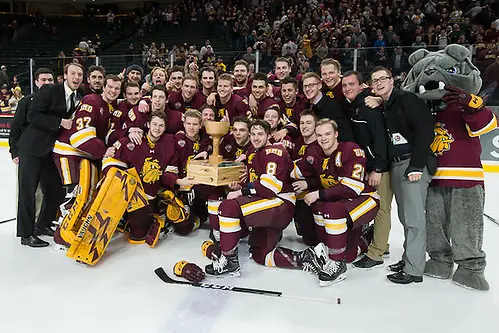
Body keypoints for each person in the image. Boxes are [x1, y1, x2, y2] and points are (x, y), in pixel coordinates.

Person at [293, 119, 380, 285]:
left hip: (365, 199)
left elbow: (351, 188)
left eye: (327, 134)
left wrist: (317, 193)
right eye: (319, 135)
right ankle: (331, 249)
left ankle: (337, 265)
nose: (323, 138)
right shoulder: (314, 153)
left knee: (330, 209)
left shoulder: (350, 150)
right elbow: (293, 171)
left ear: (336, 134)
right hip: (341, 203)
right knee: (348, 253)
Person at [204, 119, 296, 277]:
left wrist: (241, 193)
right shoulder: (253, 152)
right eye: (253, 134)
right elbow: (255, 183)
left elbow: (269, 188)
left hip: (281, 203)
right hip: (270, 202)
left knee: (228, 207)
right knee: (260, 253)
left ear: (269, 135)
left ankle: (229, 261)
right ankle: (308, 257)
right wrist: (240, 187)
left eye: (260, 134)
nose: (255, 137)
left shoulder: (274, 152)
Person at [370, 66, 435, 284]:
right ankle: (410, 259)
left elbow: (426, 129)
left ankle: (414, 269)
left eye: (383, 79)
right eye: (375, 81)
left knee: (415, 219)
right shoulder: (387, 105)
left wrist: (417, 165)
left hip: (411, 163)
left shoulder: (407, 99)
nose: (379, 83)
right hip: (398, 165)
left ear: (392, 80)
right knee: (406, 217)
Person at [16, 63, 83, 247]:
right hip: (32, 147)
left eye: (79, 74)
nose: (76, 77)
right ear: (65, 75)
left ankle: (43, 225)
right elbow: (33, 116)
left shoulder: (79, 95)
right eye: (73, 74)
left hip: (50, 150)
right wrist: (60, 122)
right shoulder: (50, 91)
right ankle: (26, 234)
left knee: (55, 189)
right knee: (27, 190)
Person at [339, 71, 392, 269]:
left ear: (362, 86)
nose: (347, 88)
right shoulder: (356, 107)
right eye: (344, 85)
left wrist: (378, 168)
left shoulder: (369, 108)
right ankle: (381, 244)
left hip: (380, 168)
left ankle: (376, 253)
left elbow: (380, 139)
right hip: (369, 167)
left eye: (351, 84)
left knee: (381, 208)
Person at [9, 68, 54, 224]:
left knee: (43, 191)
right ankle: (26, 224)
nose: (47, 83)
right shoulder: (27, 101)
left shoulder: (55, 102)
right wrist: (14, 151)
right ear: (36, 82)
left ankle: (39, 223)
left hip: (47, 153)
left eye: (50, 80)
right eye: (43, 80)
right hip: (27, 152)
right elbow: (15, 128)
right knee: (27, 191)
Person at [302, 72, 355, 142]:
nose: (307, 89)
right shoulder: (306, 105)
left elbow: (345, 132)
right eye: (305, 86)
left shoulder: (332, 106)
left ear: (319, 85)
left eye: (311, 85)